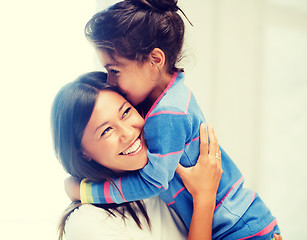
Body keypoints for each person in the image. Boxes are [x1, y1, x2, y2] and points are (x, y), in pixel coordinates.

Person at [66, 0, 282, 239]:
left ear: (155, 60)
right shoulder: (174, 93)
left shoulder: (167, 114)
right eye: (106, 130)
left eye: (115, 70)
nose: (110, 81)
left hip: (239, 228)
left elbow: (152, 183)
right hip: (242, 220)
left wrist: (85, 191)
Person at [51, 71, 224, 240]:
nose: (128, 132)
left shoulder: (165, 170)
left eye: (126, 112)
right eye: (106, 130)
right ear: (83, 154)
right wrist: (204, 199)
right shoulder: (87, 223)